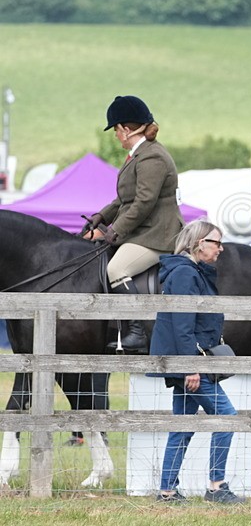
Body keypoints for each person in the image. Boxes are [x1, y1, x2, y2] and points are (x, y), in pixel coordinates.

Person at [149, 220, 244, 504]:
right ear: (199, 242)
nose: (220, 248)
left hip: (191, 363)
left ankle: (167, 492)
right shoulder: (185, 274)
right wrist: (191, 366)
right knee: (227, 418)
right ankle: (217, 486)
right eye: (216, 242)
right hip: (192, 365)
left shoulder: (188, 273)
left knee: (183, 426)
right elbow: (182, 323)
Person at [84, 96, 183, 353]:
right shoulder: (138, 154)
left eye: (116, 130)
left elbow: (144, 202)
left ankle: (137, 332)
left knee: (116, 269)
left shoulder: (153, 157)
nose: (116, 136)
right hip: (143, 231)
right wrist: (102, 217)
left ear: (127, 130)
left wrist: (116, 230)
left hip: (158, 235)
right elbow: (124, 199)